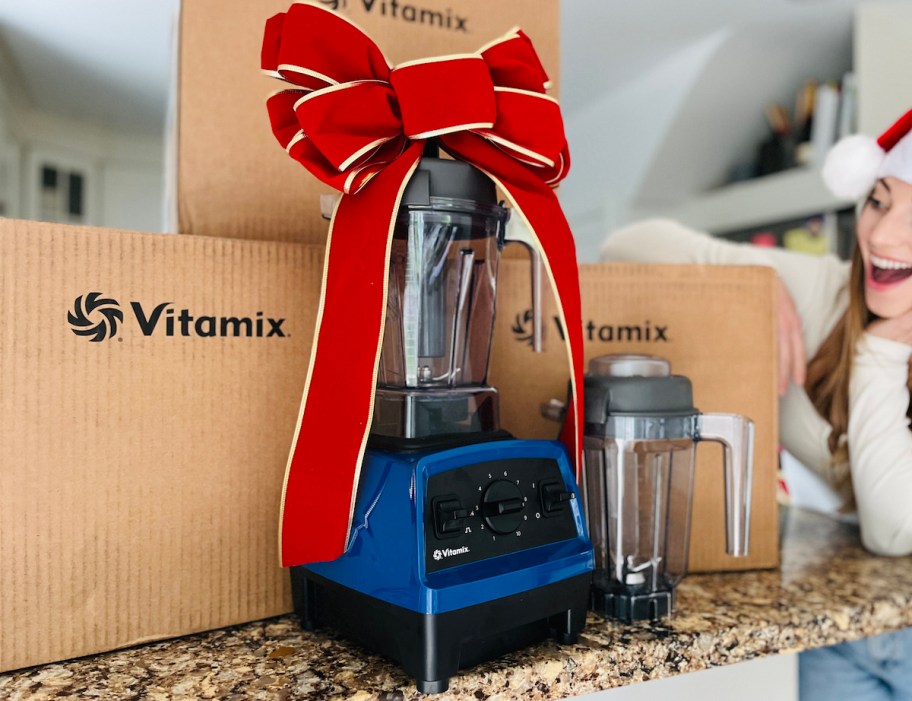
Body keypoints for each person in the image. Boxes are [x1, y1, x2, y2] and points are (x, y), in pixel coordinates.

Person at [600, 107, 912, 701]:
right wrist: (748, 280)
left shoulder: (876, 333)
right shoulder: (826, 290)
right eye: (879, 201)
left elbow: (895, 530)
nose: (883, 236)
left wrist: (878, 355)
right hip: (840, 626)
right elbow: (626, 247)